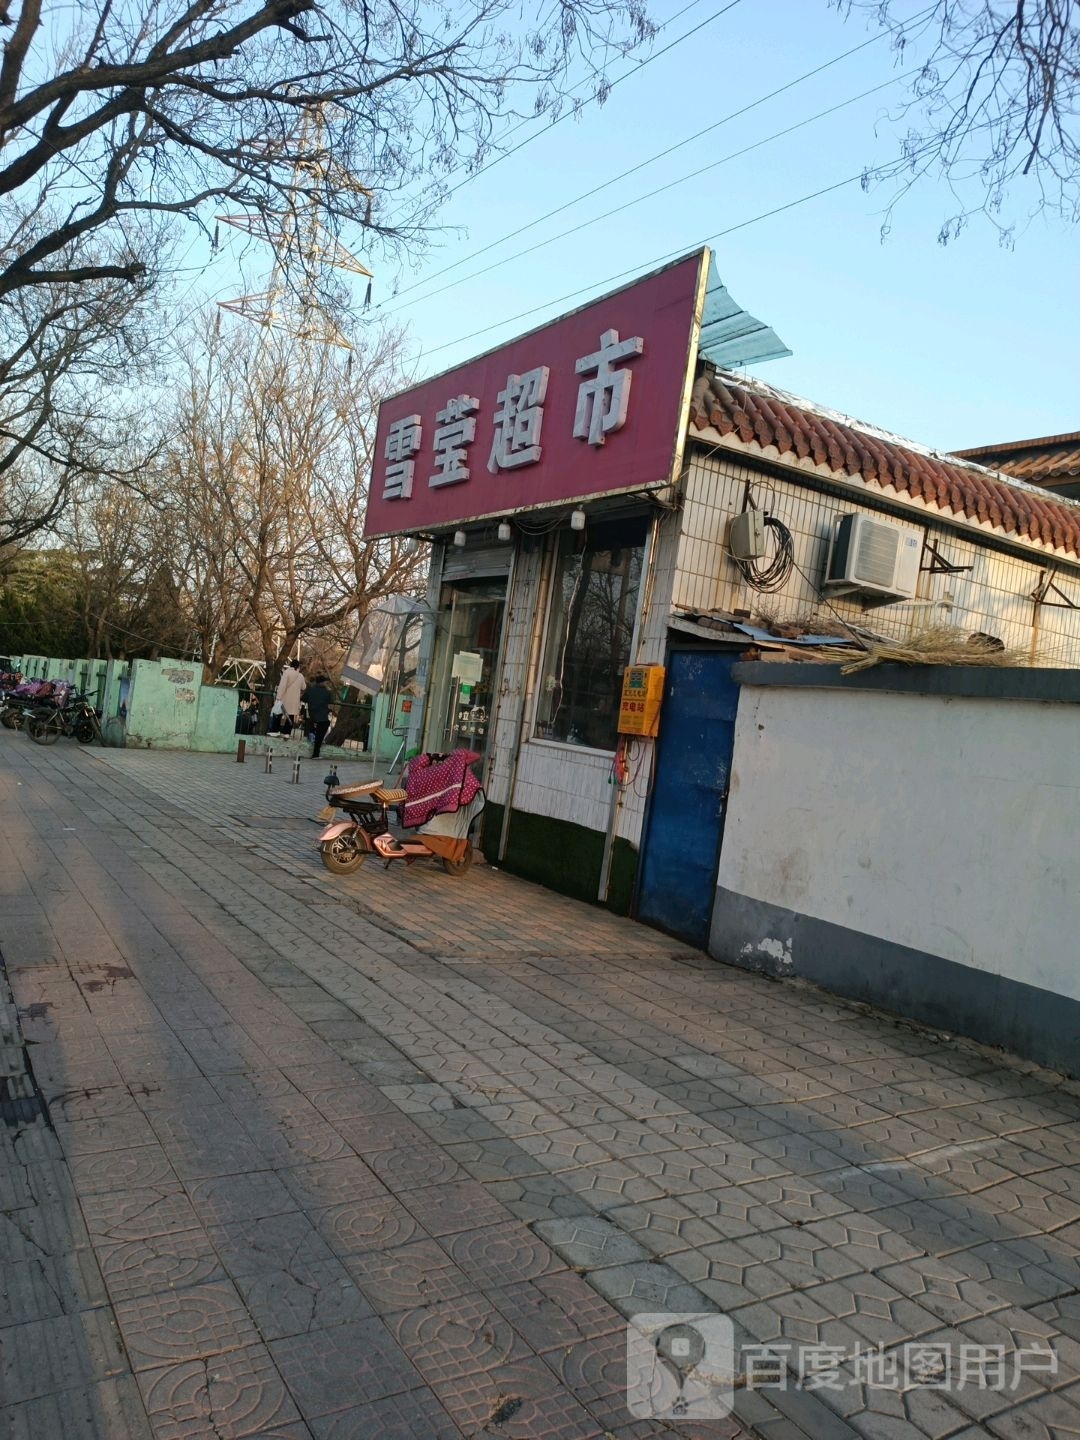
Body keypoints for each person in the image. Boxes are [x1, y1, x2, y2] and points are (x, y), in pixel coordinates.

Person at [274, 659, 306, 737]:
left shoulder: (286, 673)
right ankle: (287, 733)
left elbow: (282, 686)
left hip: (285, 698)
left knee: (279, 713)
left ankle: (276, 730)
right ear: (298, 667)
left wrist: (278, 697)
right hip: (295, 700)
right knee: (291, 716)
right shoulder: (300, 676)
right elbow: (304, 687)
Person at [305, 674, 334, 758]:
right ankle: (316, 753)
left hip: (312, 715)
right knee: (322, 731)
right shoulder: (327, 692)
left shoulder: (311, 690)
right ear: (323, 682)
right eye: (325, 682)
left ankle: (313, 740)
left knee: (316, 730)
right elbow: (331, 701)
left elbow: (304, 698)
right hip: (322, 716)